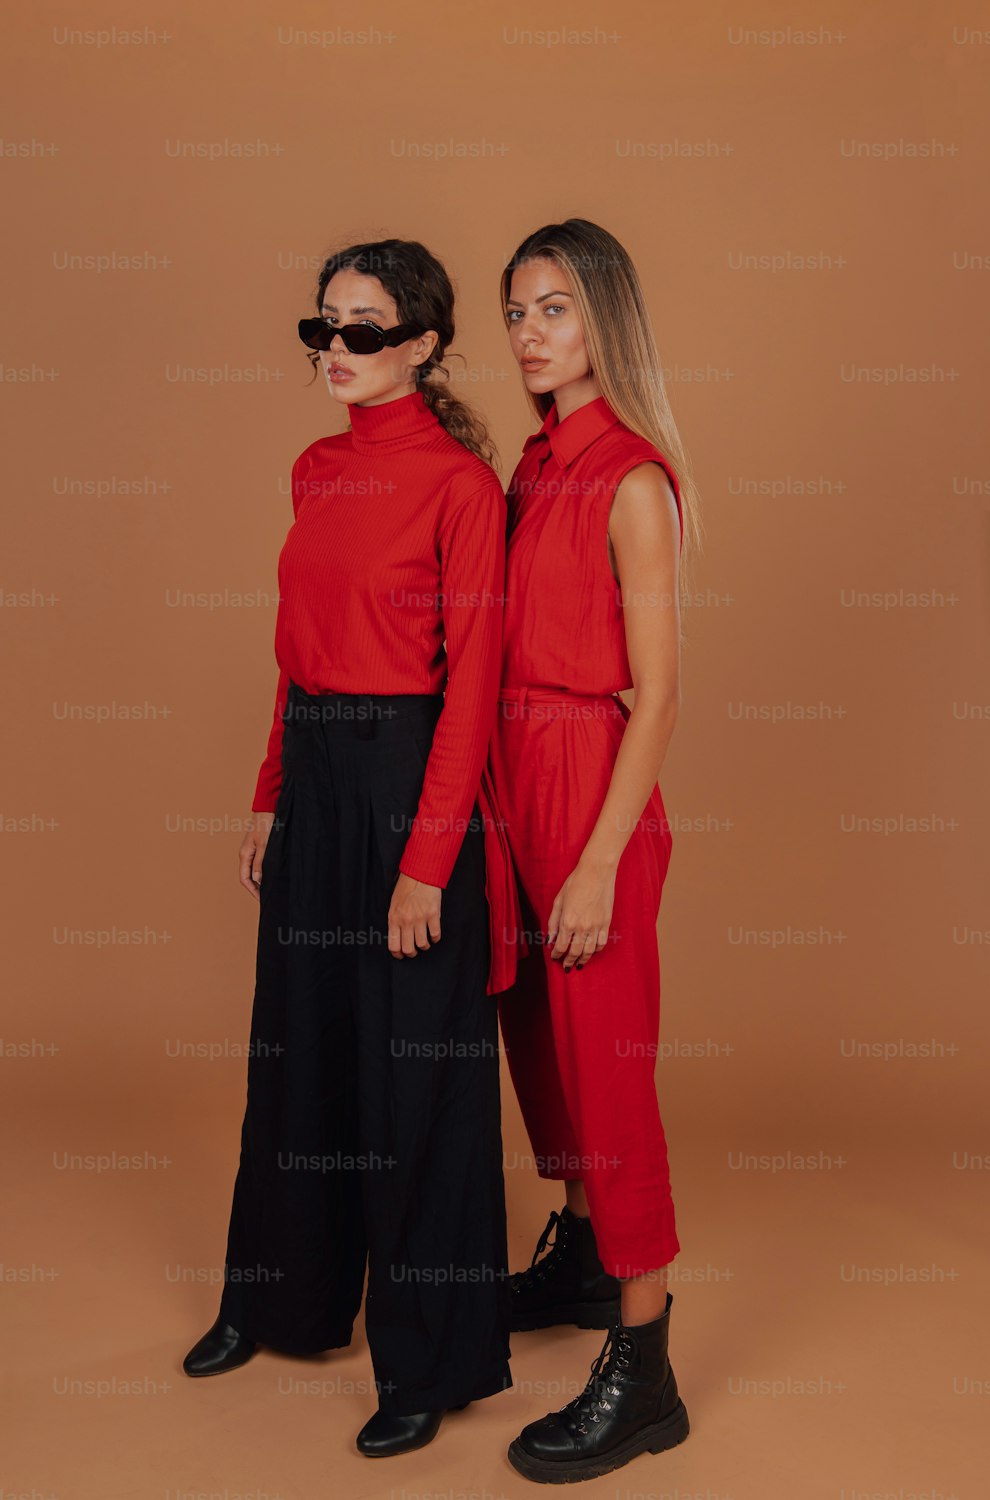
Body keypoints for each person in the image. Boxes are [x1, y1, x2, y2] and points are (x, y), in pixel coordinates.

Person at [182, 238, 522, 1459]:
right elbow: (296, 645)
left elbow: (473, 688)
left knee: (414, 1079)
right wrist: (270, 793)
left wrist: (428, 860)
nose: (337, 350)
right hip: (318, 777)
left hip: (410, 779)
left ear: (423, 345)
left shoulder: (459, 491)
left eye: (365, 330)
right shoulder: (315, 467)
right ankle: (277, 1303)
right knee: (300, 1048)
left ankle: (426, 1364)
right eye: (323, 327)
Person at [488, 218, 704, 1484]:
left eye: (556, 310)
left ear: (604, 320)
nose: (529, 334)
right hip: (517, 778)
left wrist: (595, 860)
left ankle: (646, 1363)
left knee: (609, 1078)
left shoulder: (629, 477)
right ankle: (578, 1251)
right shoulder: (529, 469)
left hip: (589, 784)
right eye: (517, 311)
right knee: (540, 1049)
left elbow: (662, 694)